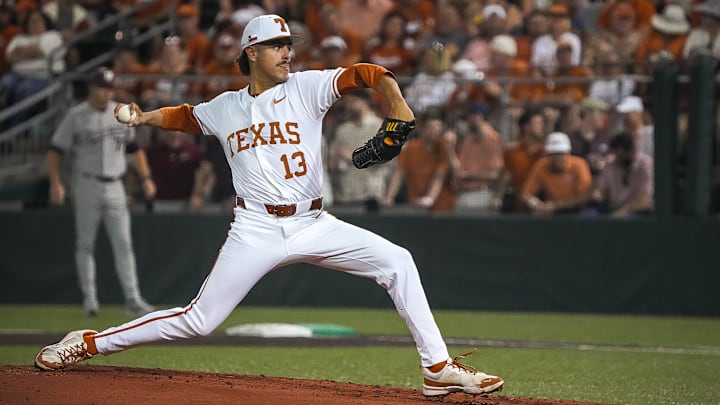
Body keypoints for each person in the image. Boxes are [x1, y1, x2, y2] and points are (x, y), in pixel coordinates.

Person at [34, 14, 504, 398]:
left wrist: (397, 103)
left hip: (314, 221)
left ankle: (437, 369)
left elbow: (367, 73)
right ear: (251, 53)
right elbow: (186, 117)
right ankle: (89, 342)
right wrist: (144, 116)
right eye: (277, 44)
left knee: (398, 261)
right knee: (199, 320)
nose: (288, 52)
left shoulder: (306, 87)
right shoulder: (225, 106)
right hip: (255, 227)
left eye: (289, 44)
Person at [45, 67, 157, 317]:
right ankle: (90, 300)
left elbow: (135, 148)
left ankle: (132, 298)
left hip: (116, 184)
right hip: (86, 183)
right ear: (91, 88)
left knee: (124, 244)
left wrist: (146, 177)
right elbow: (55, 150)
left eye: (109, 87)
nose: (105, 92)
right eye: (101, 87)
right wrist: (56, 182)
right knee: (86, 244)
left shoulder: (122, 112)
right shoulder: (76, 115)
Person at [383, 114, 457, 213]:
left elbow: (440, 176)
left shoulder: (444, 148)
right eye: (432, 127)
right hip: (416, 203)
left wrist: (430, 198)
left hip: (442, 206)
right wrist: (389, 197)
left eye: (439, 128)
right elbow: (399, 173)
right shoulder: (410, 148)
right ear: (422, 128)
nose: (435, 131)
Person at [521, 132, 593, 214]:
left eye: (562, 153)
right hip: (551, 212)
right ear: (548, 154)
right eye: (555, 154)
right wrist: (536, 204)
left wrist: (558, 205)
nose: (559, 158)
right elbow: (525, 194)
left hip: (577, 211)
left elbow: (584, 196)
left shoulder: (580, 165)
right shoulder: (541, 165)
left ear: (568, 153)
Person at [588, 132, 654, 217]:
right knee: (589, 214)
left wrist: (625, 210)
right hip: (612, 207)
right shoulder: (610, 162)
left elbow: (645, 199)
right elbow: (603, 190)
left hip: (637, 210)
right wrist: (598, 194)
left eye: (621, 155)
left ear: (632, 151)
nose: (618, 158)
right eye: (616, 154)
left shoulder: (646, 165)